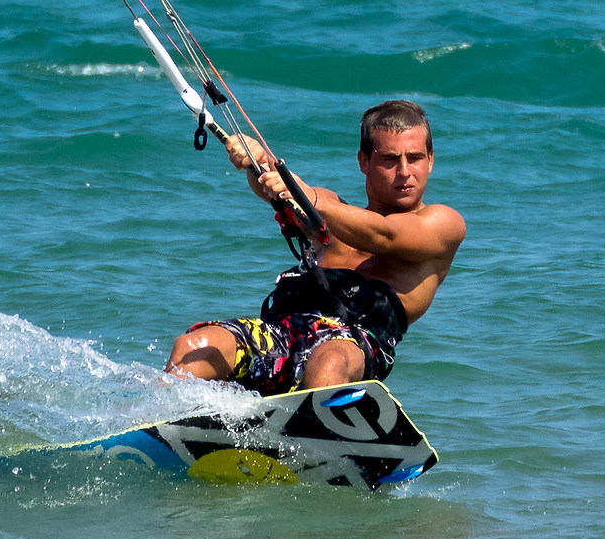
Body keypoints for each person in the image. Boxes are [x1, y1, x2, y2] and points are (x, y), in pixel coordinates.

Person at [166, 99, 465, 395]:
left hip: (352, 344)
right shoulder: (333, 210)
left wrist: (308, 197)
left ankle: (315, 434)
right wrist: (255, 158)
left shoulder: (442, 223)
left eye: (414, 158)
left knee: (328, 361)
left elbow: (383, 235)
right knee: (194, 347)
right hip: (282, 334)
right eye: (389, 159)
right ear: (363, 161)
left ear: (431, 160)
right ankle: (155, 427)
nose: (404, 171)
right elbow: (277, 191)